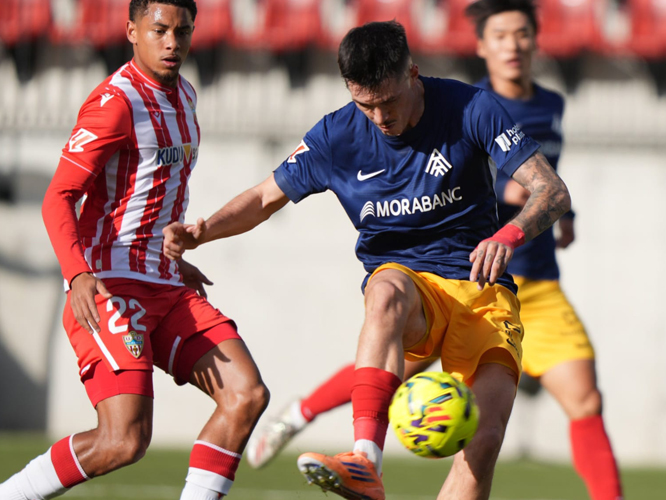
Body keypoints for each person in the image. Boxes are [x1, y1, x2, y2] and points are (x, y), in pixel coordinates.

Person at [162, 20, 570, 500]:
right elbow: (263, 198)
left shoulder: (471, 108)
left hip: (484, 291)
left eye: (388, 102)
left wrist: (509, 234)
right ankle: (364, 462)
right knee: (384, 291)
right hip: (412, 291)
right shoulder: (336, 135)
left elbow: (552, 191)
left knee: (481, 447)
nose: (379, 117)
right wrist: (204, 230)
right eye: (365, 104)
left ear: (412, 72)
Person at [243, 2, 625, 499]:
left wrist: (550, 219)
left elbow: (547, 186)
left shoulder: (549, 105)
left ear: (537, 40)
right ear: (481, 47)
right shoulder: (464, 104)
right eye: (501, 36)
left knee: (557, 411)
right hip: (435, 278)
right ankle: (312, 420)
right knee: (386, 333)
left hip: (519, 284)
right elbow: (268, 195)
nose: (513, 45)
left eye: (522, 34)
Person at [0, 2, 270, 499]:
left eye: (183, 31)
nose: (173, 42)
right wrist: (77, 274)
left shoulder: (186, 96)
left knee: (245, 394)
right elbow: (57, 197)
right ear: (132, 31)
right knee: (123, 440)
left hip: (166, 284)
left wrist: (172, 257)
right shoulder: (115, 102)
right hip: (111, 288)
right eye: (160, 30)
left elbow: (156, 193)